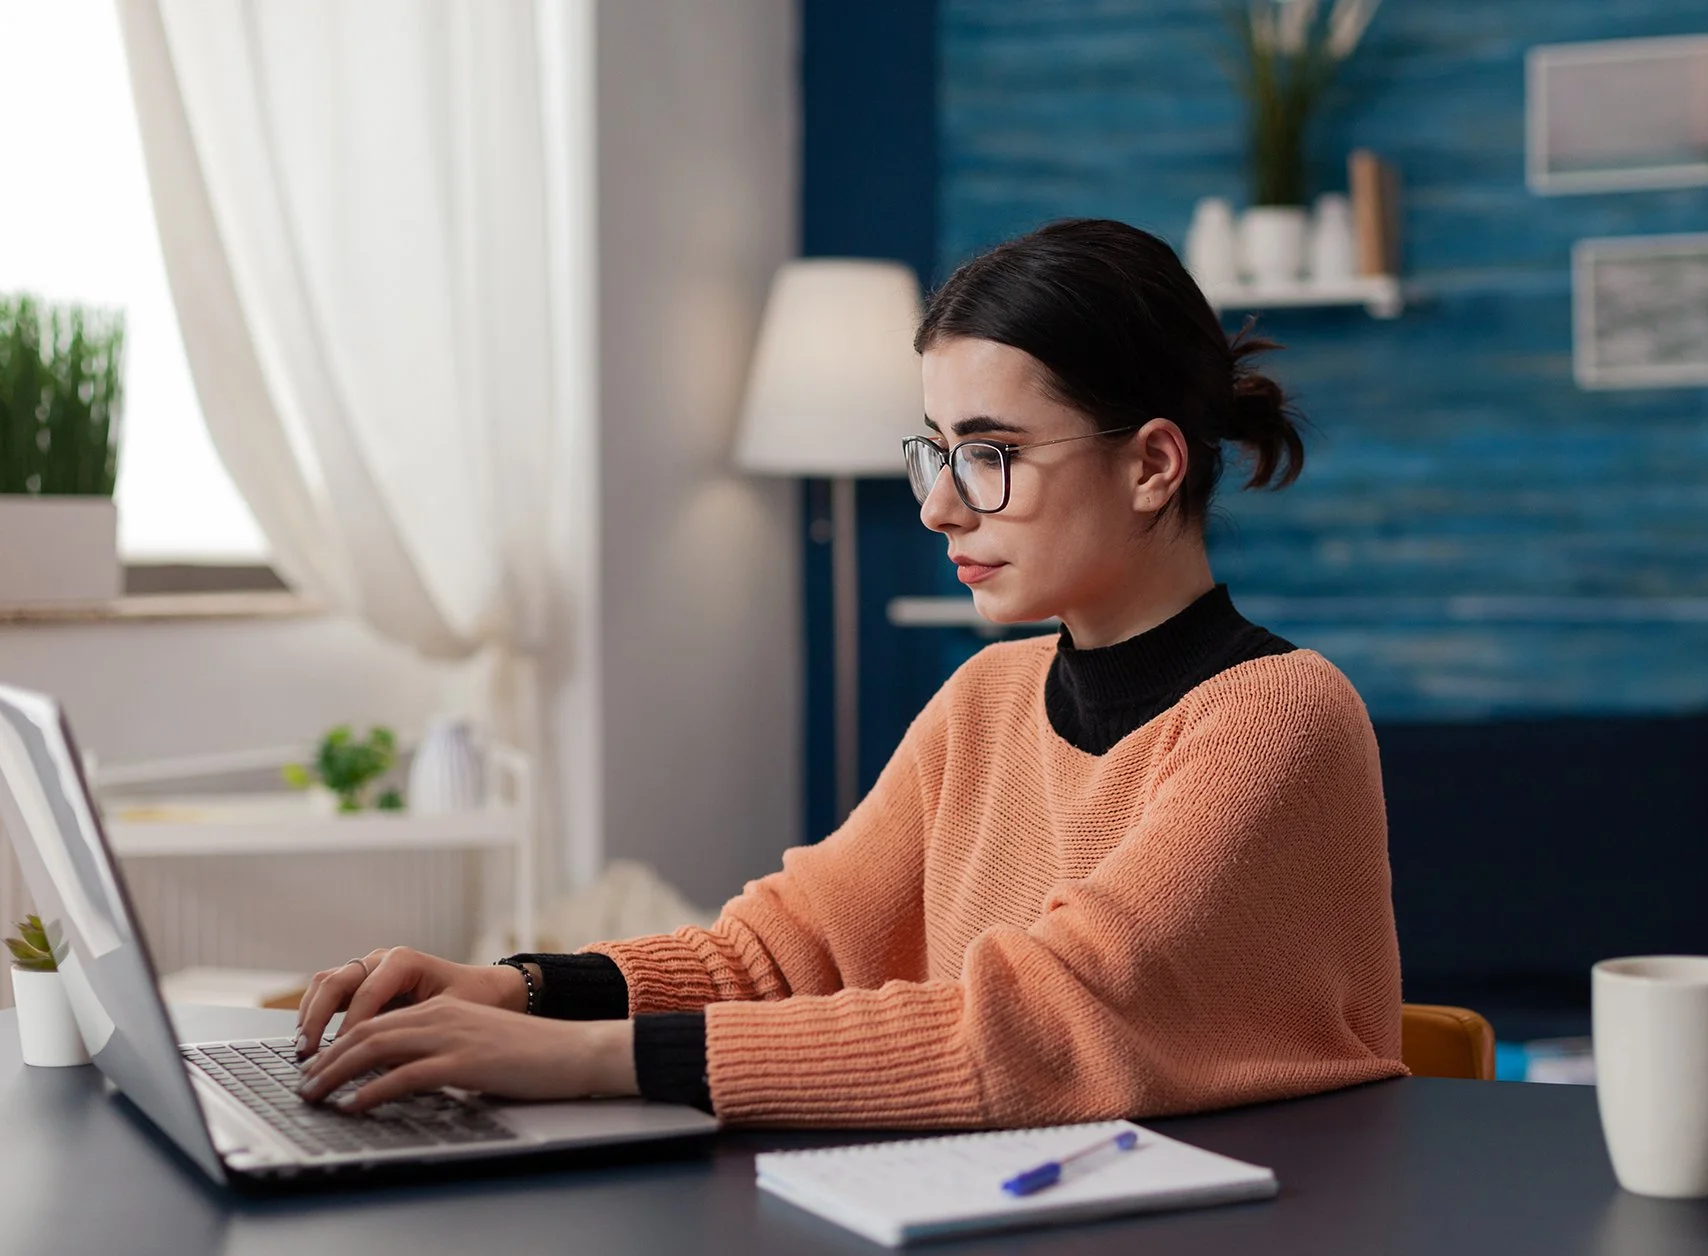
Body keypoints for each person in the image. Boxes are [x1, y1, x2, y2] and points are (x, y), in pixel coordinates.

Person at [294, 218, 1406, 1128]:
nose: (938, 504)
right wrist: (519, 987)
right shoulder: (985, 700)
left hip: (1256, 1248)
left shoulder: (1277, 717)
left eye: (990, 453)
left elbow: (1031, 1022)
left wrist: (577, 1056)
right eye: (936, 447)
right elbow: (781, 952)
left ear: (1152, 464)